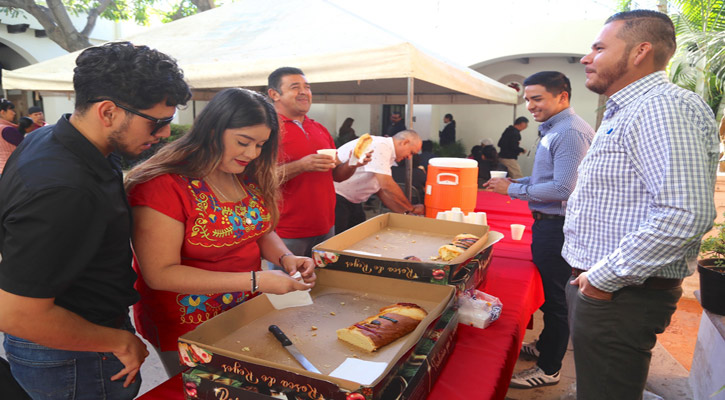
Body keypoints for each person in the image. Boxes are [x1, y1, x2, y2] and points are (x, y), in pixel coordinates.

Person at [0, 41, 191, 399]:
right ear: (108, 112)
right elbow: (16, 313)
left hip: (83, 328)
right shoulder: (62, 188)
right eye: (159, 122)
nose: (165, 133)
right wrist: (117, 340)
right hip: (69, 352)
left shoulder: (62, 140)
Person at [562, 10, 718, 400]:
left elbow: (685, 212)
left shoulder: (662, 107)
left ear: (639, 51)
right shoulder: (630, 108)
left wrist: (602, 279)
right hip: (606, 288)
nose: (587, 57)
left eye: (599, 48)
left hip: (622, 293)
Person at [124, 88, 317, 376]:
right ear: (212, 130)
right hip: (187, 321)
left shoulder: (245, 173)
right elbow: (160, 273)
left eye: (261, 145)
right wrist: (256, 280)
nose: (252, 153)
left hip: (246, 311)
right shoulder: (162, 185)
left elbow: (260, 230)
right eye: (243, 142)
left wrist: (286, 257)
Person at [485, 71, 594, 389]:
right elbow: (548, 179)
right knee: (550, 293)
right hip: (547, 223)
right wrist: (516, 183)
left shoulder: (570, 131)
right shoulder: (555, 128)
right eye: (527, 99)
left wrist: (513, 191)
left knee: (557, 299)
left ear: (563, 96)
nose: (530, 106)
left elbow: (563, 187)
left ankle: (549, 368)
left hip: (557, 226)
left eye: (537, 98)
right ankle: (545, 346)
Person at [267, 67, 369, 269]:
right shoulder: (268, 130)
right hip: (287, 231)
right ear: (274, 94)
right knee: (287, 293)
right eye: (295, 87)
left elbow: (337, 176)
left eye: (307, 87)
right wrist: (301, 165)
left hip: (326, 226)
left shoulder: (319, 129)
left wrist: (353, 163)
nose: (304, 92)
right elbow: (260, 178)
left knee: (320, 289)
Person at [334, 130, 425, 233]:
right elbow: (387, 185)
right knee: (338, 239)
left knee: (358, 235)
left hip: (353, 201)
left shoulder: (387, 153)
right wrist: (411, 208)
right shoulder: (381, 146)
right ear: (405, 142)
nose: (409, 157)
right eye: (411, 152)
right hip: (338, 198)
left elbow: (380, 190)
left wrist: (405, 213)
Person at [0, 98, 18, 175]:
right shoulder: (7, 129)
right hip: (11, 170)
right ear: (3, 112)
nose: (14, 113)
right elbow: (25, 145)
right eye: (12, 110)